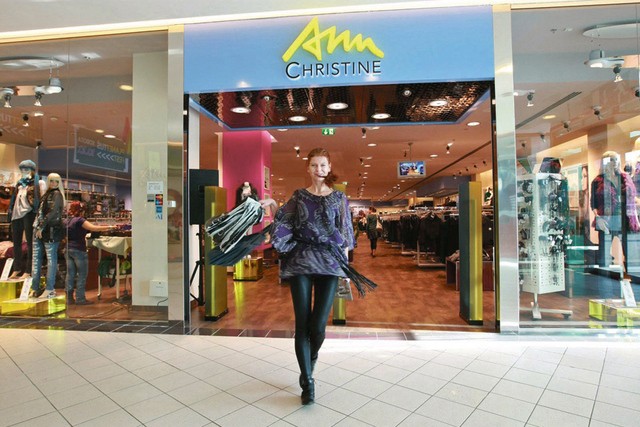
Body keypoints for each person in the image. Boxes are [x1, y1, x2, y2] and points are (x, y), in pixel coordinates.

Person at [267, 147, 355, 405]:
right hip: (302, 261)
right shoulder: (299, 196)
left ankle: (311, 357)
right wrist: (271, 204)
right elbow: (283, 222)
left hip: (329, 261)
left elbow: (345, 234)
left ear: (329, 168)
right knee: (302, 323)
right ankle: (307, 381)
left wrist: (346, 269)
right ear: (308, 168)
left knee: (318, 327)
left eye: (323, 165)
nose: (319, 170)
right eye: (314, 165)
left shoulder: (339, 198)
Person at [591, 151, 640, 269]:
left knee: (631, 253)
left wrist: (636, 219)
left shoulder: (625, 178)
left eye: (616, 159)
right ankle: (604, 276)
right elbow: (593, 204)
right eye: (611, 160)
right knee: (604, 255)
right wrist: (598, 218)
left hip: (625, 219)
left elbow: (632, 199)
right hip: (606, 220)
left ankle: (633, 276)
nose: (615, 162)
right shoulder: (598, 181)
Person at [65, 201, 118, 304]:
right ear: (81, 210)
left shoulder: (67, 220)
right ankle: (80, 298)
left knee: (70, 274)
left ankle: (69, 298)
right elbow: (93, 228)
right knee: (82, 275)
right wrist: (110, 227)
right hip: (79, 250)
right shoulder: (80, 220)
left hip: (68, 249)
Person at [7, 160, 46, 279]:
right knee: (16, 243)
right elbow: (14, 200)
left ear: (32, 170)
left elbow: (42, 201)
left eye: (26, 169)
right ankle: (17, 268)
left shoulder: (39, 183)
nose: (24, 171)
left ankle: (29, 270)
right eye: (22, 169)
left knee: (30, 243)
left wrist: (40, 218)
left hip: (29, 213)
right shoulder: (19, 184)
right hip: (16, 214)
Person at [30, 173, 66, 298]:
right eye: (51, 181)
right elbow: (41, 212)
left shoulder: (57, 195)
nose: (54, 183)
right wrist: (38, 227)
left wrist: (41, 226)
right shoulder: (46, 195)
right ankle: (35, 287)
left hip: (49, 230)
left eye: (56, 181)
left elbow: (52, 212)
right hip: (39, 228)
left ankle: (49, 288)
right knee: (37, 259)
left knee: (50, 259)